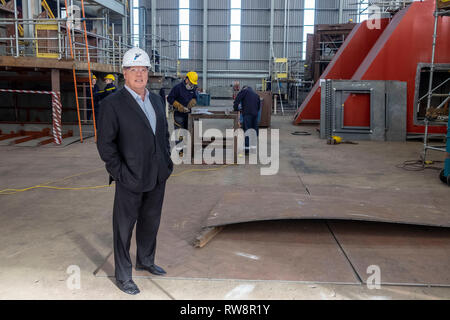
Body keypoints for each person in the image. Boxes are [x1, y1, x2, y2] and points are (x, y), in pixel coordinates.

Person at [97, 47, 173, 295]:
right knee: (123, 227)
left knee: (151, 221)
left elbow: (162, 134)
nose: (139, 74)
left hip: (157, 174)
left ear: (148, 73)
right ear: (124, 73)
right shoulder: (112, 104)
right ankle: (123, 275)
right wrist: (120, 173)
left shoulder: (155, 100)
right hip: (130, 177)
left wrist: (167, 162)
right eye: (133, 70)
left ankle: (146, 260)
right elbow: (105, 144)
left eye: (143, 69)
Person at [167, 71, 198, 152]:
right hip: (178, 114)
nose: (191, 85)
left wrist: (194, 101)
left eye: (193, 83)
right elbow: (170, 98)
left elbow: (195, 97)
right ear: (186, 79)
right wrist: (178, 105)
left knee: (187, 131)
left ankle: (187, 149)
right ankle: (179, 151)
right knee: (179, 132)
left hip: (188, 114)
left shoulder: (193, 88)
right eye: (191, 83)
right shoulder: (177, 88)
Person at [233, 85, 261, 153]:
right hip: (255, 114)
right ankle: (253, 148)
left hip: (247, 114)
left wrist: (235, 108)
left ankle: (247, 149)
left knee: (247, 130)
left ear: (244, 88)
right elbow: (259, 106)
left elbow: (237, 100)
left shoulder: (244, 91)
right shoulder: (256, 95)